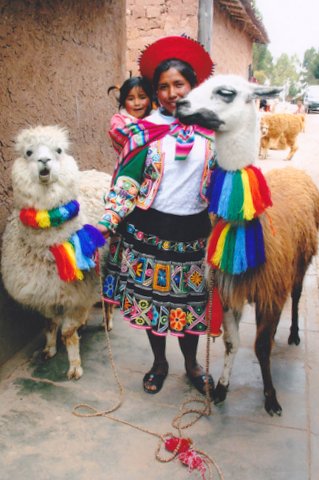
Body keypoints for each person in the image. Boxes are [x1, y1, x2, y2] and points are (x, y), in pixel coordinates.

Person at [97, 35, 216, 397]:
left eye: (179, 84)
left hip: (194, 232)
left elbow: (230, 184)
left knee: (190, 305)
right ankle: (159, 363)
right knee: (154, 306)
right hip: (149, 232)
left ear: (193, 85)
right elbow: (128, 182)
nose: (171, 92)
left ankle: (193, 365)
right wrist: (107, 221)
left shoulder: (212, 132)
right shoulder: (145, 131)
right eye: (162, 86)